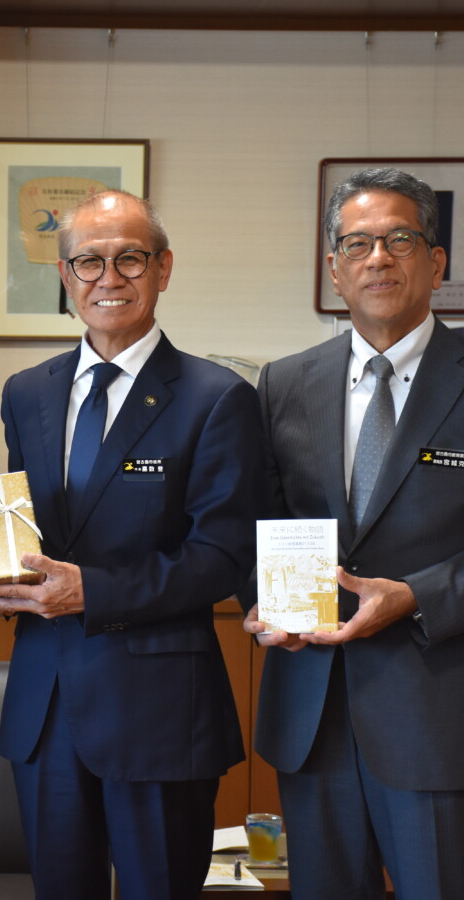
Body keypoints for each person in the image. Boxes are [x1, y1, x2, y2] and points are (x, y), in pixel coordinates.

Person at [0, 190, 266, 899]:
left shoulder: (216, 397)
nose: (109, 278)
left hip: (159, 712)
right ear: (64, 274)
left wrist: (92, 591)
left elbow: (221, 557)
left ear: (163, 268)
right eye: (89, 261)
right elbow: (29, 529)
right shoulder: (26, 393)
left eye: (130, 259)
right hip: (45, 706)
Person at [243, 167, 464, 900]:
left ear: (435, 262)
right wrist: (261, 602)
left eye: (400, 240)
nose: (378, 258)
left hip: (437, 717)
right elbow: (259, 521)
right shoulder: (284, 383)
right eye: (357, 244)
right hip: (313, 713)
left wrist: (417, 596)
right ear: (334, 268)